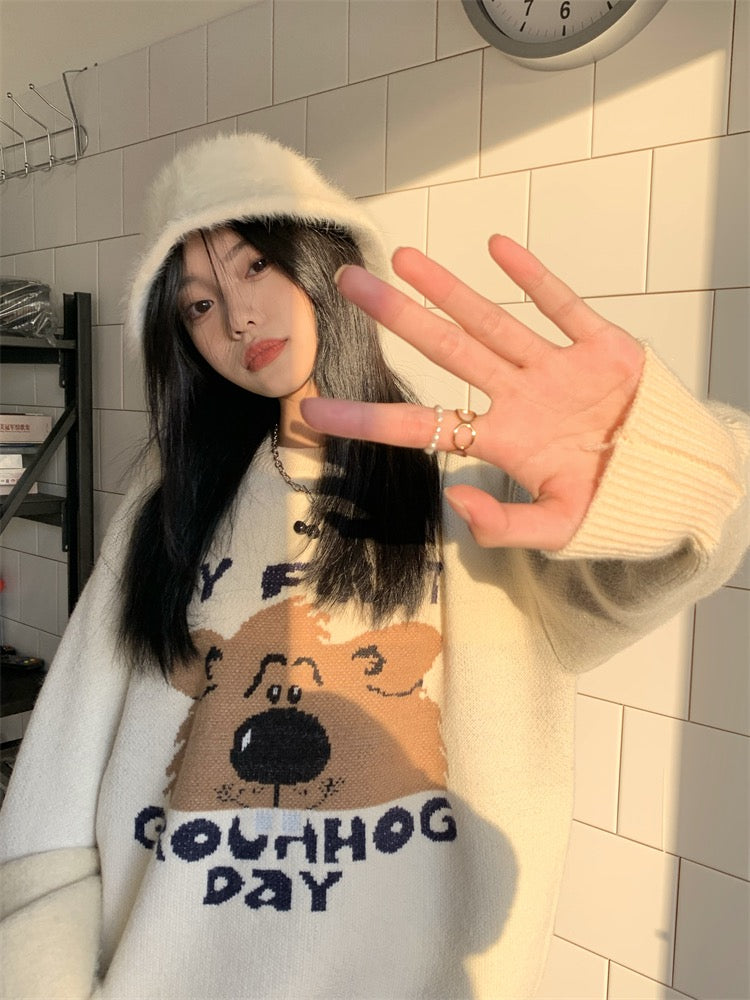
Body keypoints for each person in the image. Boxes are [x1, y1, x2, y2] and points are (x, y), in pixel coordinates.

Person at [0, 133, 747, 1000]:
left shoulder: (475, 496)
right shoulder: (163, 510)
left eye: (254, 266)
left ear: (325, 258)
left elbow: (689, 541)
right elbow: (55, 797)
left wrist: (643, 464)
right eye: (197, 306)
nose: (237, 318)